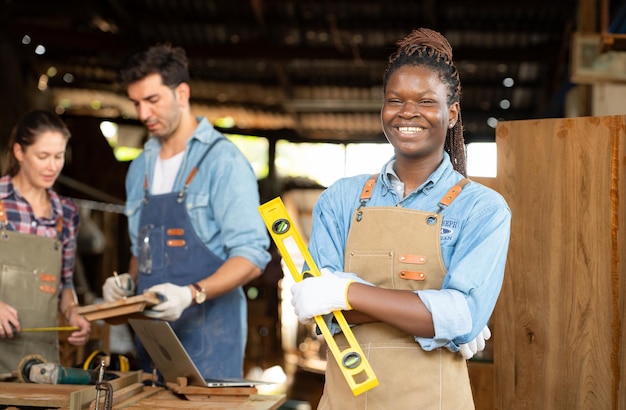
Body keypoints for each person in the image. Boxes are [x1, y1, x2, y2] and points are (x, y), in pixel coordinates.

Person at [290, 28, 511, 409]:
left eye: (425, 101)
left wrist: (346, 291)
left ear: (452, 112)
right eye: (395, 100)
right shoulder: (340, 199)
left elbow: (464, 317)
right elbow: (320, 313)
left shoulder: (482, 209)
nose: (407, 112)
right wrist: (434, 316)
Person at [102, 44, 271, 379]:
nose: (143, 114)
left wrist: (191, 294)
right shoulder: (139, 168)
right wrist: (127, 281)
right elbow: (144, 251)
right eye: (136, 103)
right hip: (153, 343)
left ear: (182, 93)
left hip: (210, 344)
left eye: (152, 100)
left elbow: (252, 257)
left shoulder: (223, 163)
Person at [0, 110, 91, 374]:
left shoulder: (67, 213)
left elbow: (64, 284)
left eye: (59, 156)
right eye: (43, 157)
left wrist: (73, 312)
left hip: (40, 364)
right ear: (19, 152)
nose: (53, 166)